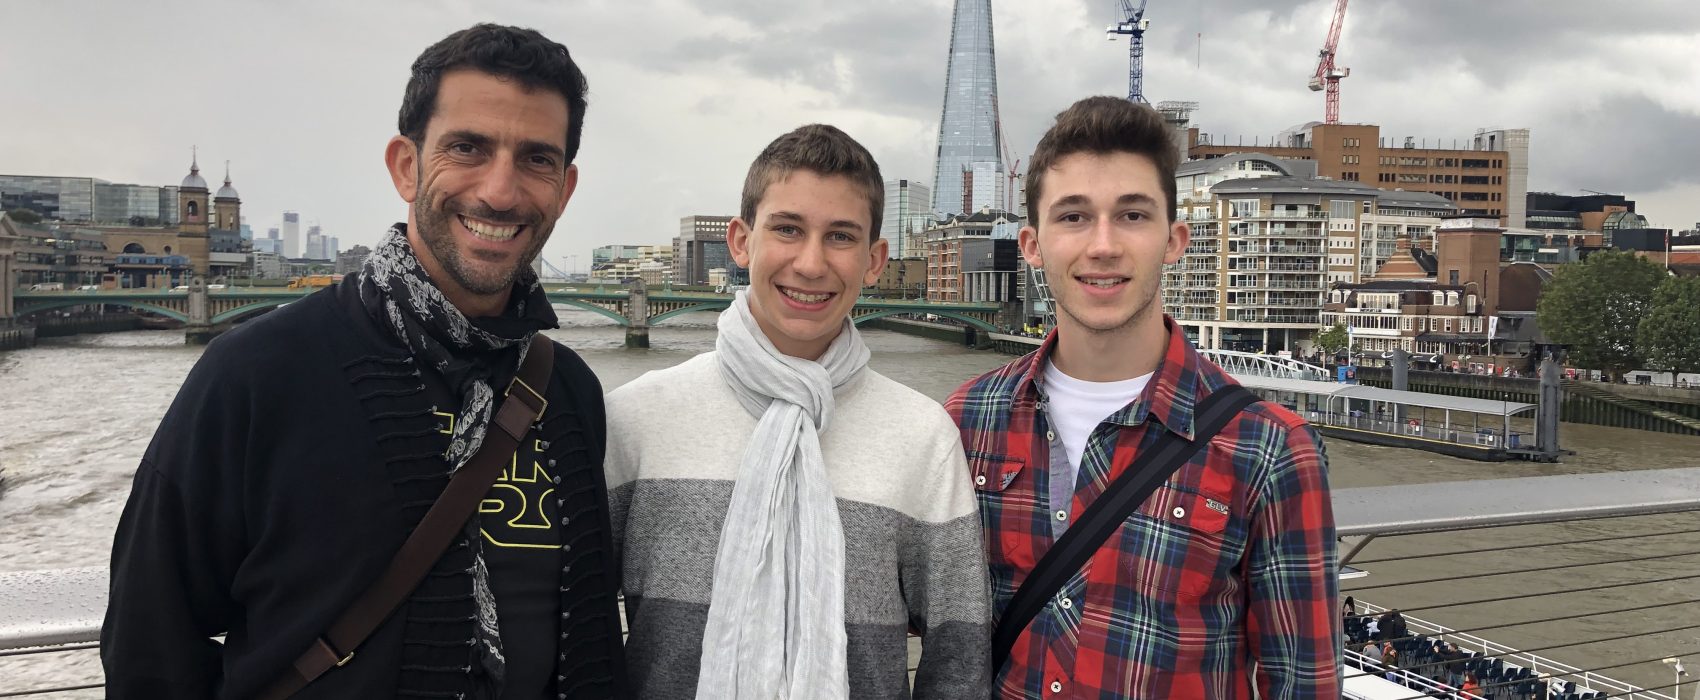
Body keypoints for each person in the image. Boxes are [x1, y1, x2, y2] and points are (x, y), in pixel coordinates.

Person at [101, 24, 627, 698]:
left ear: (565, 187)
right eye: (467, 147)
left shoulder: (570, 391)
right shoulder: (258, 375)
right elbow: (149, 641)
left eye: (536, 158)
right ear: (406, 165)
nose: (500, 191)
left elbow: (589, 638)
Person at [947, 96, 1340, 698]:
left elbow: (1304, 683)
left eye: (1132, 215)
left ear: (1174, 239)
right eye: (1073, 216)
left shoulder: (1272, 450)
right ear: (1032, 245)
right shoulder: (965, 422)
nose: (1103, 245)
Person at [605, 124, 991, 698]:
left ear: (874, 260)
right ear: (741, 241)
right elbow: (575, 626)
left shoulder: (922, 435)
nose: (811, 264)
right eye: (787, 229)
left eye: (840, 236)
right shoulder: (633, 419)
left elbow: (958, 653)